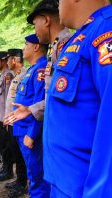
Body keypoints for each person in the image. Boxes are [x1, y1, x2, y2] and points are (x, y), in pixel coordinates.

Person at [42, 0, 112, 197]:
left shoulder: (106, 30)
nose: (58, 5)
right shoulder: (82, 36)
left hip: (85, 188)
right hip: (65, 182)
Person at [4, 0, 72, 123]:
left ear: (46, 20)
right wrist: (30, 109)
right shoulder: (56, 49)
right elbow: (52, 97)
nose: (35, 31)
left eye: (35, 24)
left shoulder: (69, 48)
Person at [13, 34, 50, 197]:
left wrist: (32, 134)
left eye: (26, 44)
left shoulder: (41, 70)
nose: (23, 48)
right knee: (32, 175)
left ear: (35, 47)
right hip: (22, 130)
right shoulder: (32, 69)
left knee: (37, 177)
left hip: (30, 134)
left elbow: (39, 105)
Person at [4, 49, 28, 198]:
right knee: (16, 153)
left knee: (20, 156)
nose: (6, 62)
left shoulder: (25, 75)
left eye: (8, 59)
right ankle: (19, 179)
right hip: (13, 122)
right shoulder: (17, 76)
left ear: (14, 60)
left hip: (20, 122)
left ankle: (22, 184)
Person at [0, 51, 14, 181]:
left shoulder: (8, 76)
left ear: (4, 61)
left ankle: (8, 170)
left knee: (6, 145)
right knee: (1, 144)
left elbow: (8, 98)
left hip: (3, 117)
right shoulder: (1, 75)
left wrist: (7, 117)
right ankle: (4, 167)